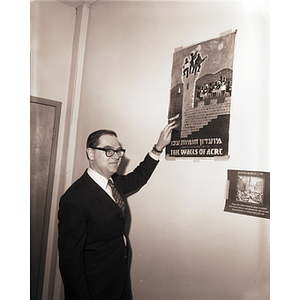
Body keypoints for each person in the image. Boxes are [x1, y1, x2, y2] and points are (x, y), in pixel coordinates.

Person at [58, 117, 178, 300]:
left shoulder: (115, 183)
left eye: (118, 151)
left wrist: (158, 147)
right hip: (94, 288)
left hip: (118, 279)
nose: (116, 156)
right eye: (108, 151)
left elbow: (139, 176)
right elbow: (70, 262)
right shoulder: (75, 198)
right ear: (90, 153)